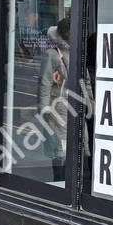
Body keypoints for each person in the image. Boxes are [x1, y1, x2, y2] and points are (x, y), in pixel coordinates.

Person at [37, 15, 71, 180]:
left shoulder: (74, 50)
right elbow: (45, 82)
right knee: (60, 151)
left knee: (69, 150)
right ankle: (60, 184)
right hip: (59, 108)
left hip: (72, 108)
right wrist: (45, 108)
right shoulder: (52, 54)